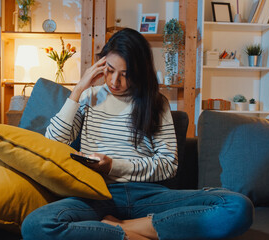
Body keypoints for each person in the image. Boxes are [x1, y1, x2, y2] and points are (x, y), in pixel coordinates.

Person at [21, 28, 253, 240]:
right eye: (110, 71)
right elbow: (53, 142)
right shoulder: (88, 97)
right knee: (36, 224)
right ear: (101, 65)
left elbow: (168, 165)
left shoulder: (155, 103)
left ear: (140, 73)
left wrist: (114, 166)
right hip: (97, 195)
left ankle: (123, 227)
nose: (115, 81)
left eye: (126, 74)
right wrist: (79, 88)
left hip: (148, 195)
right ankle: (140, 232)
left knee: (237, 206)